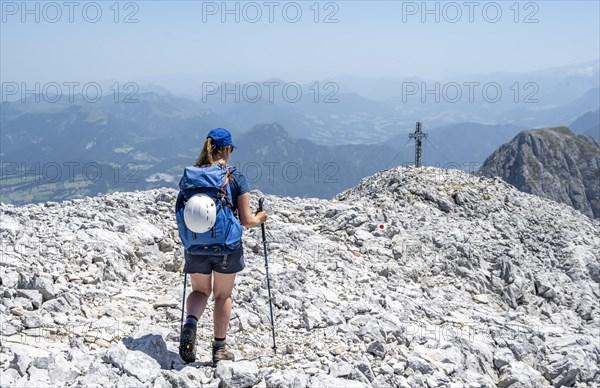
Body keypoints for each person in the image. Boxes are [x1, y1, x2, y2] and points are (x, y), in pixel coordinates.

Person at [179, 127, 268, 365]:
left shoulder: (191, 177)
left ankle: (190, 323)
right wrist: (261, 218)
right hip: (226, 247)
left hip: (196, 245)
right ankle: (219, 348)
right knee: (222, 295)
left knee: (199, 292)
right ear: (227, 149)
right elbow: (247, 220)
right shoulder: (236, 176)